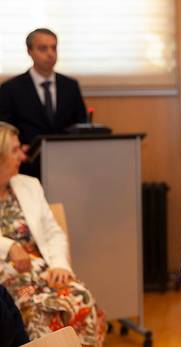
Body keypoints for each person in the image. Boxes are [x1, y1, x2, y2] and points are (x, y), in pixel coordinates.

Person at [0, 122, 105, 346]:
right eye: (15, 150)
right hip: (7, 280)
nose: (23, 155)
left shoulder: (29, 185)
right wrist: (9, 247)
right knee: (38, 311)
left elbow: (53, 232)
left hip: (43, 271)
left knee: (80, 297)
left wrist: (60, 265)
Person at [0, 28, 87, 178]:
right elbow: (5, 130)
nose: (50, 53)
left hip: (67, 165)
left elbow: (81, 123)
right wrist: (19, 148)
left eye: (54, 47)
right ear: (29, 51)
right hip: (26, 167)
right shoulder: (11, 89)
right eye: (43, 48)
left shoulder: (70, 86)